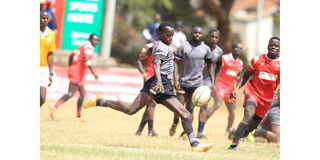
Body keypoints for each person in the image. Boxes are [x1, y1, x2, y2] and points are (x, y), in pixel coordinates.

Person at [83, 22, 214, 152]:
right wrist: (158, 81)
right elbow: (156, 64)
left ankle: (194, 144)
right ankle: (100, 101)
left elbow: (146, 56)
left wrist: (171, 78)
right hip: (156, 83)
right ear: (159, 34)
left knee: (185, 114)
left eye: (172, 36)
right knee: (131, 110)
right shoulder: (161, 47)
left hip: (165, 84)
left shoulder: (158, 46)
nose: (170, 38)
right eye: (168, 35)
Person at [228, 37, 280, 151]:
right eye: (271, 45)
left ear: (279, 49)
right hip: (253, 93)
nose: (273, 47)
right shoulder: (257, 60)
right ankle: (233, 146)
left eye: (276, 46)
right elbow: (246, 75)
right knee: (248, 115)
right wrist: (236, 88)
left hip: (266, 100)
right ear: (268, 46)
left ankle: (237, 135)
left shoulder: (280, 65)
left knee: (250, 129)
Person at [168, 27, 216, 139]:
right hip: (183, 82)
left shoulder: (206, 49)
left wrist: (213, 83)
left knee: (190, 108)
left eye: (200, 32)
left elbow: (210, 67)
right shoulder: (183, 47)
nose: (197, 34)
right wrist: (174, 79)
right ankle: (175, 122)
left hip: (197, 84)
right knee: (179, 107)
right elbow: (175, 63)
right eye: (195, 32)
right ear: (191, 33)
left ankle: (186, 132)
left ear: (202, 34)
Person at [49, 34, 99, 122]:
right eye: (94, 40)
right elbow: (86, 60)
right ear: (90, 39)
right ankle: (55, 105)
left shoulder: (82, 46)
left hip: (76, 72)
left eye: (97, 41)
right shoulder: (89, 47)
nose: (96, 42)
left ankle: (78, 117)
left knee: (82, 94)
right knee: (71, 93)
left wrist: (70, 66)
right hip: (76, 73)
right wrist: (93, 73)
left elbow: (71, 55)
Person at [206, 43, 244, 137]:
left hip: (231, 88)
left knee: (232, 111)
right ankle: (202, 124)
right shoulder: (225, 58)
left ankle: (228, 131)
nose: (238, 50)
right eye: (236, 48)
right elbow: (216, 69)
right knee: (217, 105)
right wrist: (213, 83)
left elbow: (237, 75)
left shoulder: (240, 63)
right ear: (232, 49)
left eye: (240, 49)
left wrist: (239, 81)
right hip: (220, 85)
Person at [135, 42, 158, 136]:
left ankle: (140, 129)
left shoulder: (168, 48)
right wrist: (144, 74)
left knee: (151, 104)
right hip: (149, 77)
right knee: (151, 103)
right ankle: (151, 130)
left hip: (159, 79)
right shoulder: (149, 47)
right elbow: (139, 61)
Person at [40, 10, 56, 107]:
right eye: (42, 18)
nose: (45, 20)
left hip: (43, 69)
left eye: (47, 18)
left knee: (42, 98)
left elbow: (50, 54)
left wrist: (50, 73)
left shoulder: (51, 34)